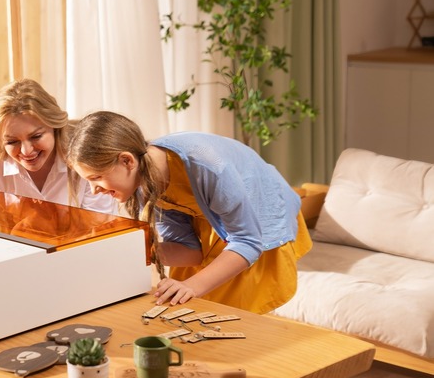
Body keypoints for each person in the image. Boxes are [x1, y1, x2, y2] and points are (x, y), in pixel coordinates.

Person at [65, 111, 312, 314]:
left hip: (258, 218)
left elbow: (247, 242)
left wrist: (192, 286)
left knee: (233, 315)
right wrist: (129, 252)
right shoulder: (146, 184)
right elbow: (191, 252)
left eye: (96, 178)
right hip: (216, 223)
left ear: (127, 161)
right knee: (192, 306)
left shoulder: (207, 166)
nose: (94, 190)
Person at [0, 79, 115, 214]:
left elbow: (98, 228)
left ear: (55, 127)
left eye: (36, 136)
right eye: (12, 142)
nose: (26, 151)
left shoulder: (89, 153)